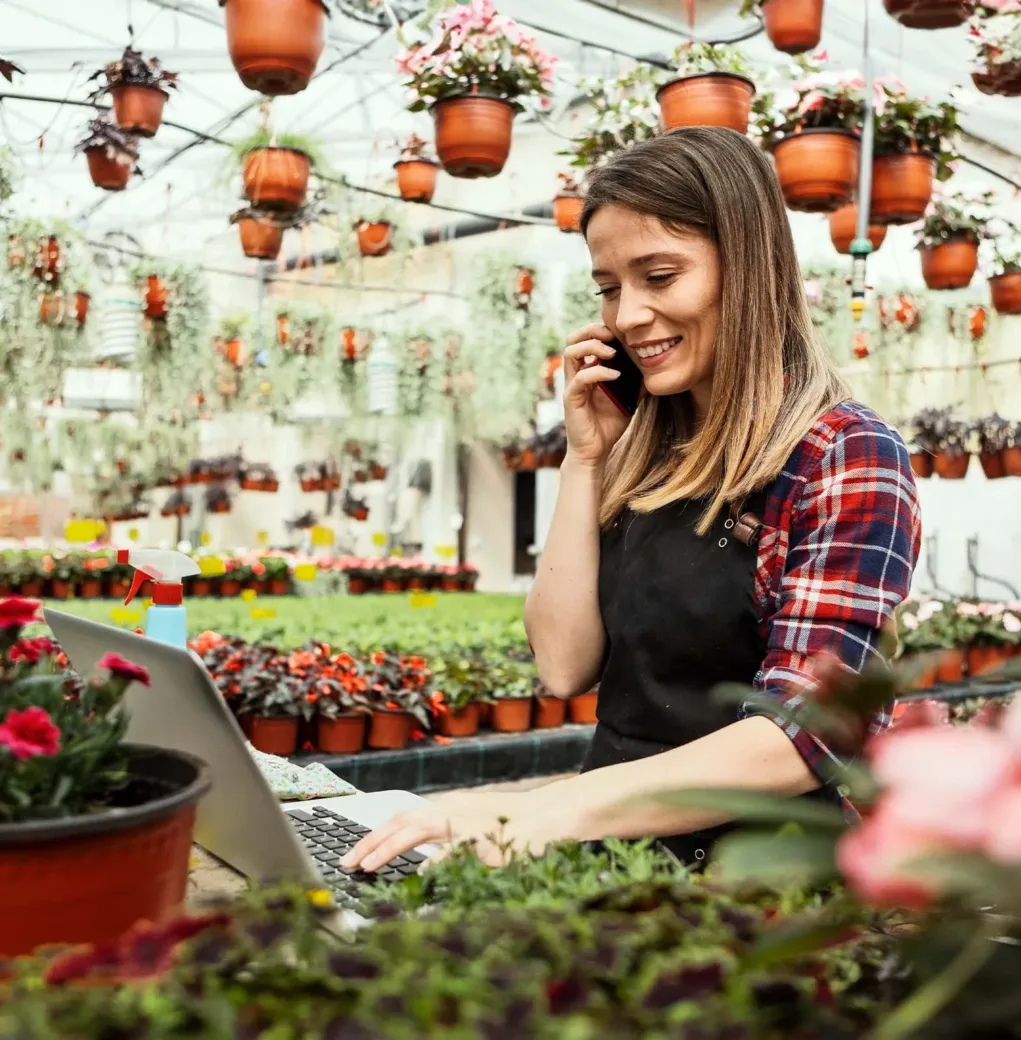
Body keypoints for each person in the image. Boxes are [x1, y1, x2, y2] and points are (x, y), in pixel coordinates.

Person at [343, 127, 921, 874]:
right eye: (610, 288)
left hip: (763, 880)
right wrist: (585, 461)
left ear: (748, 269)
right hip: (617, 860)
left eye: (659, 276)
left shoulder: (842, 454)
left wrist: (536, 809)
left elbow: (807, 732)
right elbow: (561, 664)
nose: (626, 318)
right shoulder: (648, 445)